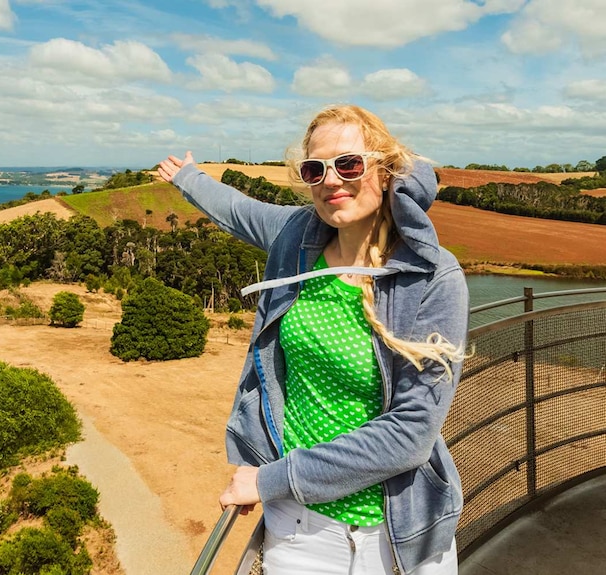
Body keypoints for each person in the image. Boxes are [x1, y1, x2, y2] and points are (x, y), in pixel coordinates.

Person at [158, 104, 469, 575]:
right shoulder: (296, 238)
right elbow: (237, 210)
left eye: (349, 164)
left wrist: (269, 480)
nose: (331, 180)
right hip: (300, 529)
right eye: (314, 169)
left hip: (397, 534)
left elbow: (410, 435)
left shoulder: (432, 277)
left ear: (384, 171)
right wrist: (187, 176)